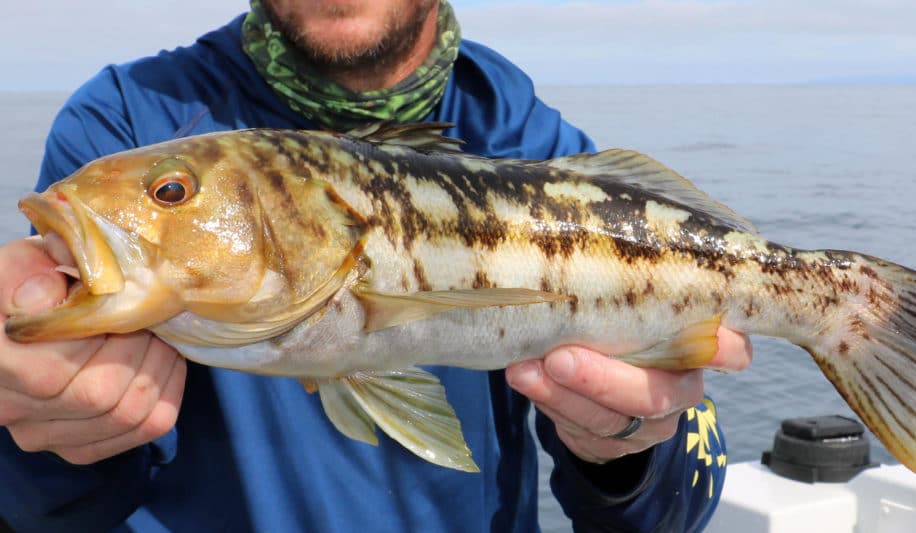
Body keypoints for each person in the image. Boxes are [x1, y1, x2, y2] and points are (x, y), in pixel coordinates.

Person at [0, 1, 753, 531]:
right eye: (174, 193)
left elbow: (675, 507)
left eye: (170, 195)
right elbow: (51, 509)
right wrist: (36, 424)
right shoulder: (125, 124)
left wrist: (622, 451)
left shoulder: (537, 145)